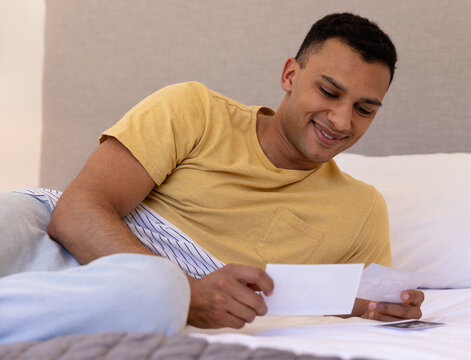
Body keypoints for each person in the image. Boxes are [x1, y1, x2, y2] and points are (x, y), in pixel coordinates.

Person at [0, 12, 423, 343]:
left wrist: (387, 307)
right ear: (290, 76)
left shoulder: (362, 209)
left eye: (364, 109)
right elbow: (75, 212)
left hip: (138, 296)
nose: (341, 120)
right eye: (329, 93)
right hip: (52, 236)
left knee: (156, 291)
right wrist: (190, 292)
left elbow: (364, 300)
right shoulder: (194, 109)